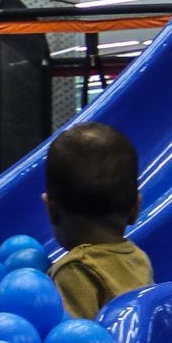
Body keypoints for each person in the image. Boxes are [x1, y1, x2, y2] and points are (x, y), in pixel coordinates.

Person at [45, 120, 154, 319]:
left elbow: (70, 339)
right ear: (135, 208)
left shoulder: (74, 272)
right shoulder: (139, 259)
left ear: (52, 209)